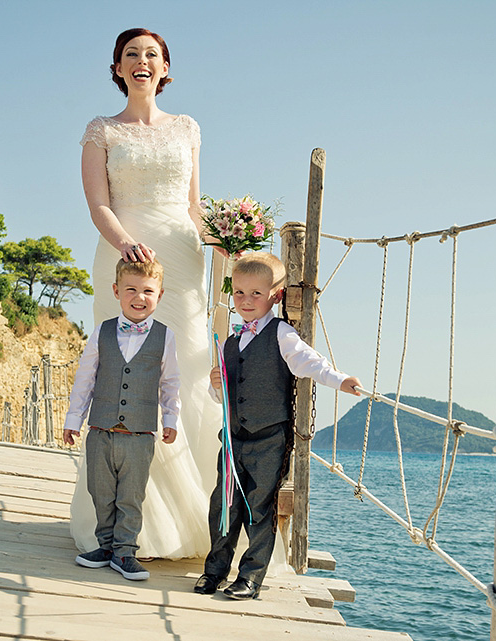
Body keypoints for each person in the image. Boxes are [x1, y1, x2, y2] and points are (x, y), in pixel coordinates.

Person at [70, 27, 218, 559]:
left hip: (180, 260)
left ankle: (189, 523)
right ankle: (117, 523)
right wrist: (127, 244)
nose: (141, 61)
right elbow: (98, 204)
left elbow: (194, 203)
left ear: (165, 68)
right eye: (131, 54)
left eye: (151, 54)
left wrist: (225, 237)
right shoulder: (101, 130)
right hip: (123, 251)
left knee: (189, 368)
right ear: (116, 68)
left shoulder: (188, 128)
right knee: (122, 374)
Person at [194, 252, 363, 600]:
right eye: (239, 293)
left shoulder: (281, 334)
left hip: (269, 438)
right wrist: (217, 385)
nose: (246, 301)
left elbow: (309, 362)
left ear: (276, 294)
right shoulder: (229, 342)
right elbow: (221, 400)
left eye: (256, 293)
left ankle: (251, 577)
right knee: (224, 505)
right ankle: (214, 570)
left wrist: (340, 379)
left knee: (260, 508)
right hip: (233, 437)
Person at [63, 259, 178, 581]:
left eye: (147, 291)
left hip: (140, 435)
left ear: (160, 295)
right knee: (100, 491)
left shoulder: (165, 337)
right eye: (131, 289)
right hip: (100, 429)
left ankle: (125, 551)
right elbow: (86, 376)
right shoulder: (103, 331)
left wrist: (171, 418)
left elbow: (170, 382)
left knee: (131, 495)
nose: (139, 297)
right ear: (116, 291)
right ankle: (105, 547)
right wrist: (74, 418)